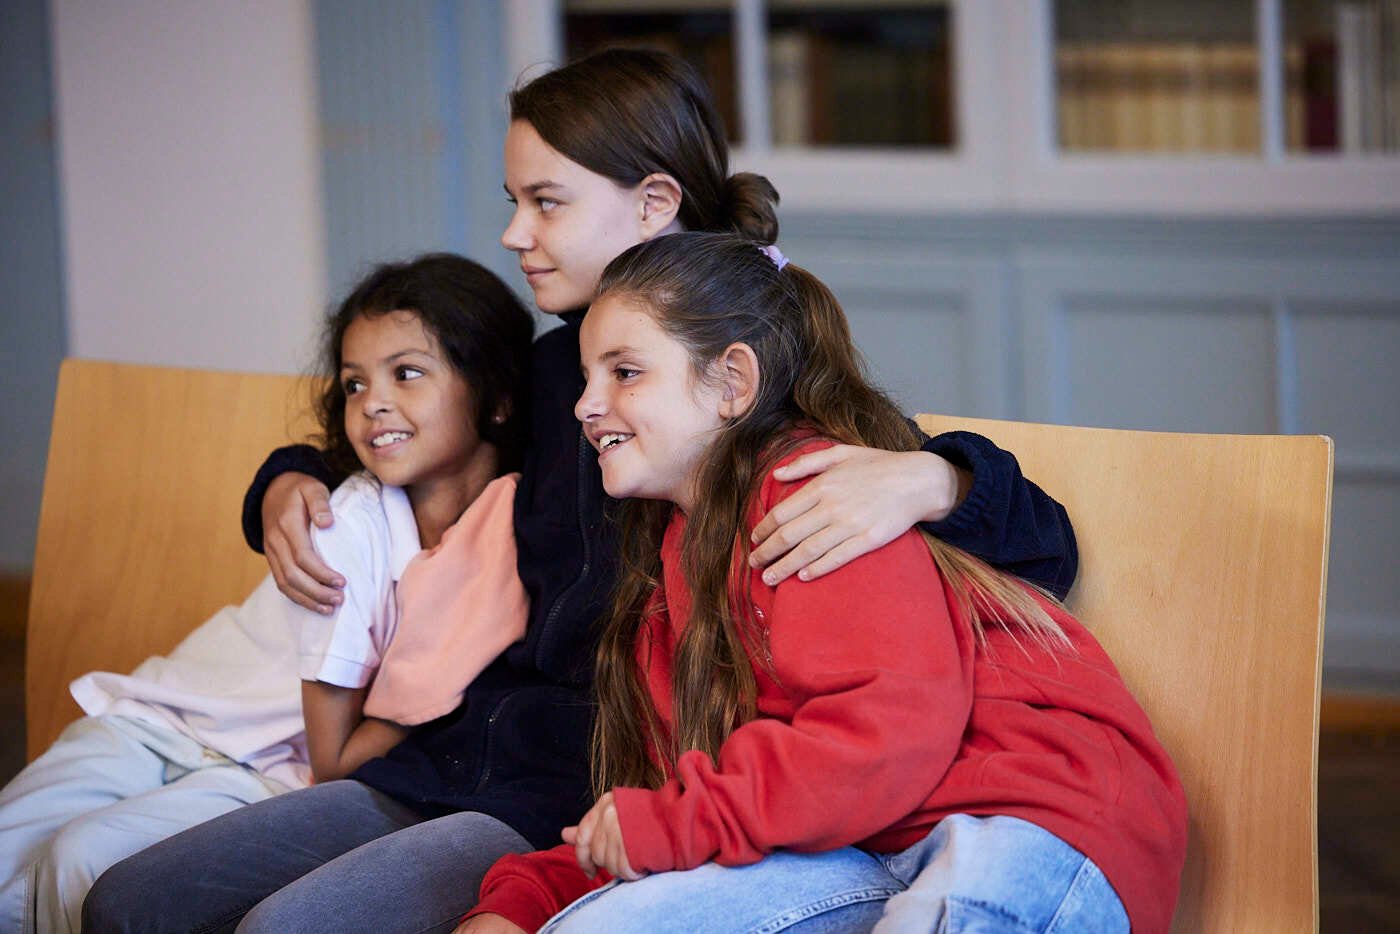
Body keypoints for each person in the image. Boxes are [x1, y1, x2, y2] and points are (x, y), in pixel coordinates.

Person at [84, 49, 1077, 933]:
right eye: (512, 199)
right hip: (448, 753)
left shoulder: (756, 383)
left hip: (580, 791)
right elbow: (413, 431)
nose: (514, 233)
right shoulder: (555, 369)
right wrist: (287, 477)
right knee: (131, 900)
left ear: (650, 205)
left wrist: (929, 476)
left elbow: (1037, 550)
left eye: (544, 200)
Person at [461, 232, 1187, 934]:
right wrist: (526, 902)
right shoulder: (661, 586)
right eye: (588, 377)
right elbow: (673, 814)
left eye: (624, 372)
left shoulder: (814, 493)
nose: (586, 405)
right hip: (861, 849)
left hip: (1026, 825)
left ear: (732, 382)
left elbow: (886, 733)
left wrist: (669, 825)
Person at [0, 252, 532, 934]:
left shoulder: (510, 525)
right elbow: (342, 751)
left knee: (80, 864)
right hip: (165, 722)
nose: (372, 403)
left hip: (271, 770)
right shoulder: (349, 524)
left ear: (497, 397)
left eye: (407, 372)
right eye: (353, 384)